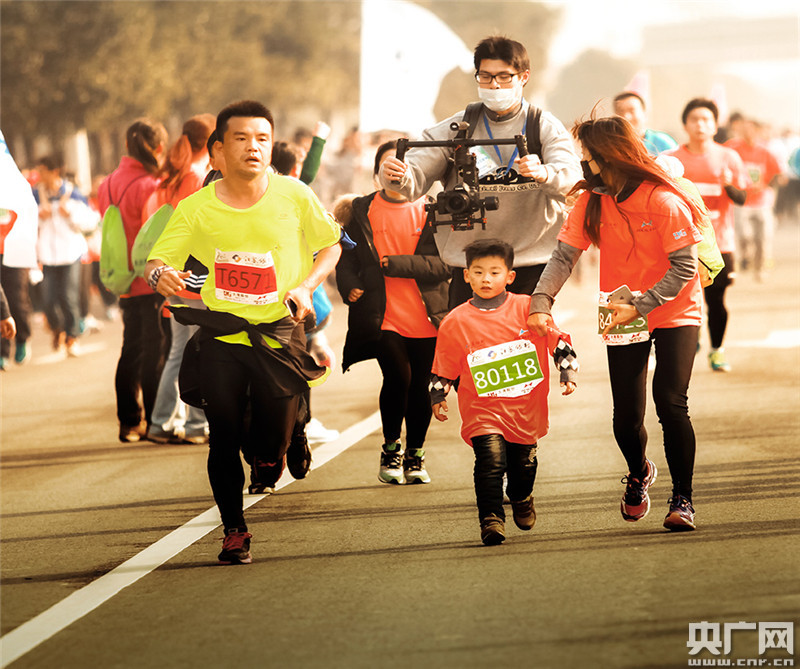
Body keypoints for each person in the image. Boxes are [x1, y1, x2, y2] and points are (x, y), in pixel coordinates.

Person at [144, 100, 342, 565]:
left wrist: (306, 286)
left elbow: (330, 247)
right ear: (216, 152)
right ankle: (234, 530)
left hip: (279, 331)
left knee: (268, 446)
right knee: (223, 434)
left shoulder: (294, 195)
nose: (254, 147)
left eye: (262, 139)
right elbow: (158, 260)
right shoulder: (195, 208)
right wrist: (161, 278)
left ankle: (286, 438)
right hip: (223, 335)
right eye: (241, 139)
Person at [529, 114, 709, 532]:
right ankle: (639, 470)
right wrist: (541, 301)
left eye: (585, 157)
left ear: (607, 158)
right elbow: (563, 256)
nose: (582, 165)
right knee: (626, 417)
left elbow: (684, 269)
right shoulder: (593, 201)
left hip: (673, 308)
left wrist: (643, 304)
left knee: (670, 401)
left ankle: (683, 497)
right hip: (619, 307)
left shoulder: (663, 201)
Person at [379, 35, 581, 309]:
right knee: (471, 346)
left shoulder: (543, 125)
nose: (494, 84)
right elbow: (412, 180)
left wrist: (544, 172)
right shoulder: (456, 127)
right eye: (485, 76)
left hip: (531, 262)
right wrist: (395, 173)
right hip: (471, 266)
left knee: (524, 345)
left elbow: (571, 178)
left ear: (524, 77)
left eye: (504, 76)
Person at [430, 239, 577, 545]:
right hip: (482, 409)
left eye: (495, 272)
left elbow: (558, 340)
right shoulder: (455, 321)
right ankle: (491, 518)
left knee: (523, 465)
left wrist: (567, 370)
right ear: (466, 275)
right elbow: (445, 365)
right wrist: (438, 394)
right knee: (490, 460)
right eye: (479, 272)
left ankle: (522, 497)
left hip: (525, 410)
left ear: (509, 276)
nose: (486, 279)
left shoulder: (527, 308)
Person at [336, 140, 450, 485]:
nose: (396, 172)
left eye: (404, 166)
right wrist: (348, 284)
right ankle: (391, 449)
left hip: (428, 315)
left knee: (419, 387)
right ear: (376, 174)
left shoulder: (433, 210)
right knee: (397, 378)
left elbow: (446, 264)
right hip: (382, 314)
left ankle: (415, 454)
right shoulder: (360, 210)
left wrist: (397, 265)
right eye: (388, 166)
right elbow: (346, 257)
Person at [143, 114, 215, 445]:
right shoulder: (197, 177)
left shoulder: (174, 176)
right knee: (200, 350)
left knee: (178, 351)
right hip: (194, 276)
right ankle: (197, 424)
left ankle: (159, 422)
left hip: (172, 274)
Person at [98, 119, 169, 442]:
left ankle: (129, 422)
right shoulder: (152, 184)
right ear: (157, 148)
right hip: (149, 278)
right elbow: (155, 233)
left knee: (131, 348)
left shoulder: (107, 183)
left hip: (121, 277)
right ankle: (155, 420)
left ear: (127, 145)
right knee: (154, 351)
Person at [666, 98, 748, 372]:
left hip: (719, 243)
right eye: (694, 120)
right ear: (685, 125)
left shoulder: (728, 158)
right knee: (685, 298)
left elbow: (742, 198)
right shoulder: (672, 160)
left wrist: (727, 185)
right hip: (681, 242)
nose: (700, 125)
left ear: (714, 126)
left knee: (716, 299)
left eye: (706, 120)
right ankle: (692, 338)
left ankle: (717, 350)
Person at [33, 155, 99, 357]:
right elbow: (27, 221)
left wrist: (70, 215)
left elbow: (90, 222)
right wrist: (39, 216)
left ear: (54, 172)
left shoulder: (72, 193)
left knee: (69, 297)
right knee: (48, 299)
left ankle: (72, 337)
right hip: (48, 256)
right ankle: (57, 329)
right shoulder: (36, 195)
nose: (39, 175)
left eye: (42, 171)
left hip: (71, 254)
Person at [724, 118, 782, 281]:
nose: (748, 133)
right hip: (742, 201)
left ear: (758, 131)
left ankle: (760, 268)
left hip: (762, 202)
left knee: (763, 237)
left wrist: (765, 184)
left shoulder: (766, 152)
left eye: (751, 130)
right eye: (745, 130)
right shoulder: (732, 149)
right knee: (744, 235)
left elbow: (777, 173)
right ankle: (746, 256)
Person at [613, 92, 678, 156]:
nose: (626, 117)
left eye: (631, 110)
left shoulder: (663, 141)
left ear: (644, 113)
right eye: (620, 111)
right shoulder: (612, 145)